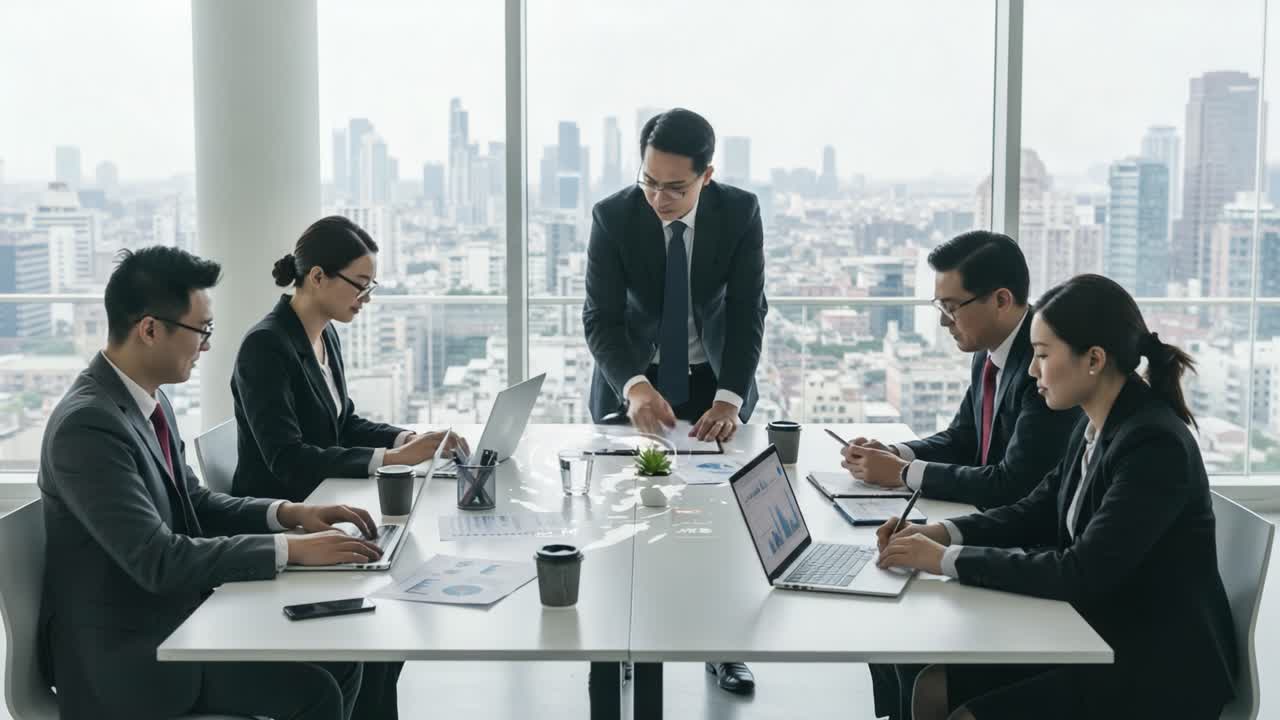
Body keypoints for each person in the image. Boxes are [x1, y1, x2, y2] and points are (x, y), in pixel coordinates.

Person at [38, 246, 385, 720]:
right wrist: (290, 549)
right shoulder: (88, 427)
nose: (206, 346)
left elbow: (193, 503)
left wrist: (290, 514)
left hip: (178, 617)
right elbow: (158, 559)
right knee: (314, 690)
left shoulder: (146, 402)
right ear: (150, 329)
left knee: (347, 656)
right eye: (201, 330)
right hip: (131, 660)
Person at [876, 274, 1237, 720]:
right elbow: (1035, 511)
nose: (1032, 370)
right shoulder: (1095, 423)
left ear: (1094, 360)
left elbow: (1080, 571)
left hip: (1157, 665)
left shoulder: (1153, 446)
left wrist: (943, 560)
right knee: (931, 684)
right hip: (1098, 630)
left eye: (1043, 356)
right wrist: (938, 533)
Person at [232, 216, 465, 719]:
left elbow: (344, 422)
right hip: (291, 520)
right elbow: (287, 459)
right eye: (360, 285)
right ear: (317, 277)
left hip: (331, 510)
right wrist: (391, 461)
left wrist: (408, 439)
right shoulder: (266, 346)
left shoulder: (324, 336)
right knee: (385, 627)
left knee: (399, 616)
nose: (367, 297)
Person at [849, 231, 1082, 719]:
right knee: (888, 620)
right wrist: (896, 454)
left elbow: (1013, 485)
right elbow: (962, 436)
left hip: (1030, 547)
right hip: (1000, 528)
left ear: (1001, 300)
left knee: (909, 629)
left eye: (952, 307)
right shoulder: (988, 352)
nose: (943, 321)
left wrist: (907, 475)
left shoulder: (1049, 373)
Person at [583, 107, 767, 701]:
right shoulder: (613, 216)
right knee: (625, 518)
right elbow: (601, 320)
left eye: (675, 187)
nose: (659, 198)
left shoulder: (740, 212)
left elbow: (746, 313)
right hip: (637, 377)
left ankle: (722, 647)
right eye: (650, 182)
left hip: (713, 377)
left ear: (705, 177)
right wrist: (633, 385)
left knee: (716, 519)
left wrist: (731, 397)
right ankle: (614, 650)